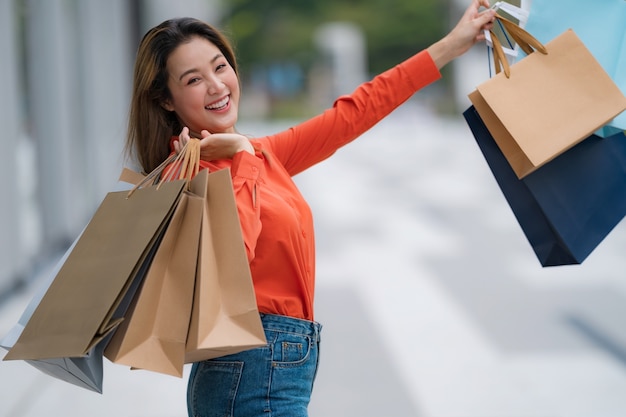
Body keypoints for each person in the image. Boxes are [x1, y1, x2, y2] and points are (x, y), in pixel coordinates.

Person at [125, 1, 496, 416]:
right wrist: (245, 156)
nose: (217, 86)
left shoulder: (259, 154)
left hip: (270, 372)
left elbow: (353, 114)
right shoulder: (188, 177)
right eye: (194, 79)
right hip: (249, 376)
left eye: (220, 66)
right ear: (166, 101)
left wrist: (451, 45)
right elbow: (232, 260)